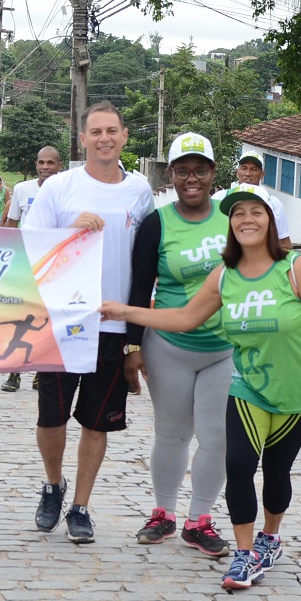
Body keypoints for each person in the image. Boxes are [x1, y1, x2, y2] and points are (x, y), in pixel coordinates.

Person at [103, 183, 301, 589]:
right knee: (238, 467)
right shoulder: (224, 274)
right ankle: (244, 556)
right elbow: (184, 318)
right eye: (238, 214)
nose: (246, 220)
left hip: (299, 392)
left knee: (276, 471)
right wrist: (126, 312)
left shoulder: (294, 268)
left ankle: (270, 537)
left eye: (256, 212)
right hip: (247, 386)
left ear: (270, 221)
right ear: (229, 224)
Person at [26, 101, 155, 543]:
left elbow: (145, 265)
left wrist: (136, 340)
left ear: (124, 136)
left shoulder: (139, 191)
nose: (104, 138)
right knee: (52, 418)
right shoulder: (59, 188)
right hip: (62, 323)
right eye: (95, 131)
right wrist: (69, 233)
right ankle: (53, 484)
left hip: (114, 327)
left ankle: (80, 506)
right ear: (82, 138)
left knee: (98, 422)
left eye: (112, 131)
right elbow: (29, 251)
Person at [125, 133, 233, 558]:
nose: (193, 178)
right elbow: (138, 286)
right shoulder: (157, 222)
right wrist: (131, 348)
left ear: (212, 174)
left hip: (224, 349)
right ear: (170, 175)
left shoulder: (231, 219)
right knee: (172, 434)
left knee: (217, 437)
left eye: (200, 170)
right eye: (183, 170)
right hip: (167, 345)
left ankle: (199, 521)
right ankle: (163, 514)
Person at [1, 146, 62, 393]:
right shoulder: (21, 189)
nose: (45, 167)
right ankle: (14, 373)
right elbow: (12, 223)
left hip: (55, 266)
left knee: (47, 320)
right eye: (41, 163)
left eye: (50, 163)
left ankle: (41, 373)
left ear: (59, 166)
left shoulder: (66, 191)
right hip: (25, 264)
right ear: (36, 164)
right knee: (19, 319)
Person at [219, 154, 291, 249]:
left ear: (262, 174)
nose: (248, 173)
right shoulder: (220, 198)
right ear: (237, 172)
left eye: (254, 169)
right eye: (244, 168)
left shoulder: (274, 203)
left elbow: (285, 244)